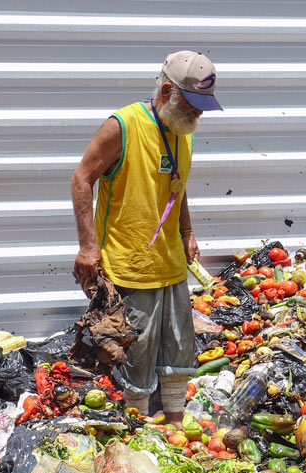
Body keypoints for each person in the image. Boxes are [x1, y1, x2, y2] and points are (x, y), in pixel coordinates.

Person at [71, 51, 223, 422]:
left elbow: (178, 185)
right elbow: (81, 179)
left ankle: (173, 423)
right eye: (194, 105)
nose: (199, 114)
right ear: (168, 90)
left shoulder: (181, 126)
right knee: (133, 356)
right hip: (129, 265)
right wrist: (88, 246)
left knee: (178, 350)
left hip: (170, 262)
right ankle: (135, 427)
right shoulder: (122, 126)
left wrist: (187, 231)